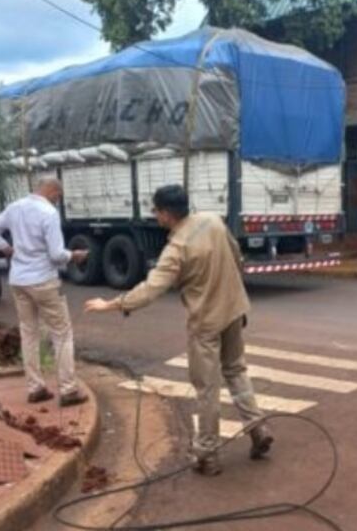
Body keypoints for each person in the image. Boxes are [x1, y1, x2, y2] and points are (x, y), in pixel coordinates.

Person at [84, 185, 273, 476]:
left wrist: (110, 304)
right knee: (236, 370)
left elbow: (151, 289)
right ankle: (258, 428)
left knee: (207, 388)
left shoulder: (176, 249)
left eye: (156, 211)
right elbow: (236, 256)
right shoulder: (213, 220)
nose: (155, 215)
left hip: (206, 322)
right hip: (235, 310)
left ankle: (207, 454)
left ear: (166, 213)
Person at [0, 176, 89, 407]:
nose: (58, 201)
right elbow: (56, 255)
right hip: (43, 280)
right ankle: (68, 390)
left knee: (29, 333)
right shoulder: (49, 213)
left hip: (18, 280)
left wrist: (6, 248)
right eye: (58, 196)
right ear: (52, 191)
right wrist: (74, 256)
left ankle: (35, 388)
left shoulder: (15, 207)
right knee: (61, 333)